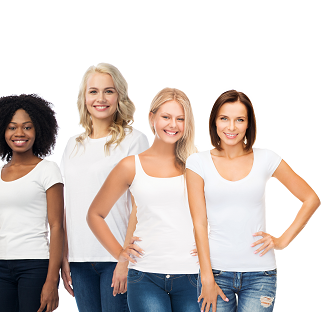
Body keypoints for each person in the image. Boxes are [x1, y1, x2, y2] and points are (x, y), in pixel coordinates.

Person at [187, 90, 320, 312]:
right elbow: (199, 223)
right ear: (214, 122)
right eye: (224, 119)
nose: (231, 127)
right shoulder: (197, 163)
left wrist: (282, 241)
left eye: (240, 120)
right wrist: (207, 276)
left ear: (248, 124)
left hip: (261, 275)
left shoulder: (266, 158)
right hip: (216, 271)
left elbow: (310, 199)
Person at [87, 88, 200, 312]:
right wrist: (120, 253)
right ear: (152, 118)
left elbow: (217, 211)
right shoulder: (131, 165)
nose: (173, 125)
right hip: (145, 276)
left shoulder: (197, 165)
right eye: (166, 117)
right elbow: (95, 214)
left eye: (180, 119)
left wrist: (212, 245)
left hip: (192, 275)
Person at [62, 63, 149, 312]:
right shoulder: (72, 145)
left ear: (119, 96)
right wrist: (64, 256)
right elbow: (70, 202)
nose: (100, 99)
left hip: (116, 257)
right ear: (84, 97)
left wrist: (124, 259)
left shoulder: (134, 140)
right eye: (93, 92)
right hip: (79, 260)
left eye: (108, 91)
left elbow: (140, 204)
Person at [0, 94, 64, 312]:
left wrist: (53, 281)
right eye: (12, 127)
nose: (19, 133)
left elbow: (57, 227)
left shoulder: (48, 170)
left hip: (35, 265)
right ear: (2, 131)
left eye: (27, 127)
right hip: (1, 267)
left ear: (38, 130)